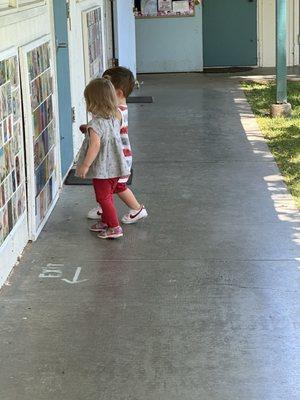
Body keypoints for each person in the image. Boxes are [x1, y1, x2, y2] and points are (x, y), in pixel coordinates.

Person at [81, 67, 148, 228]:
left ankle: (136, 209)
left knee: (117, 186)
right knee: (110, 185)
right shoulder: (118, 109)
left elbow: (108, 133)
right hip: (119, 155)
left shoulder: (117, 112)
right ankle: (104, 208)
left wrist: (95, 129)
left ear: (117, 93)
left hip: (120, 156)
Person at [76, 77, 130, 239]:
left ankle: (114, 227)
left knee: (103, 197)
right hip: (116, 167)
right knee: (107, 196)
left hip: (102, 170)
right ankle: (106, 222)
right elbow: (106, 136)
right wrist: (87, 129)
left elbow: (95, 146)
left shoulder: (95, 124)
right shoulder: (113, 119)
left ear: (92, 102)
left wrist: (85, 165)